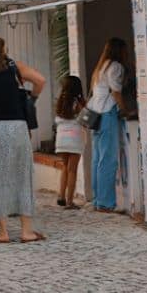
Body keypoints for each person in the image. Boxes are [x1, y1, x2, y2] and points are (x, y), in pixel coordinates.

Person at [0, 36, 46, 242]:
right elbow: (40, 80)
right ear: (3, 50)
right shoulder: (15, 67)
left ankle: (4, 232)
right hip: (17, 126)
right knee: (22, 177)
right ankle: (26, 231)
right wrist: (32, 98)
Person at [88, 38, 130, 214]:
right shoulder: (116, 67)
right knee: (108, 160)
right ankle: (106, 203)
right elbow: (116, 92)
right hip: (107, 114)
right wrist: (125, 109)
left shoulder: (101, 67)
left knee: (97, 159)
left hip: (95, 114)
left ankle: (98, 199)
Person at [53, 76, 87, 209]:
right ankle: (70, 201)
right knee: (72, 170)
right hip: (74, 138)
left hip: (61, 138)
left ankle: (61, 196)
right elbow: (85, 120)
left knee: (65, 168)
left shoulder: (60, 103)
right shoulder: (77, 103)